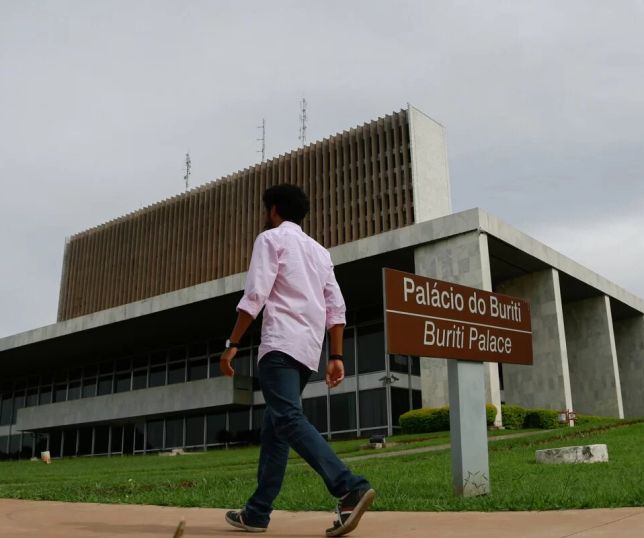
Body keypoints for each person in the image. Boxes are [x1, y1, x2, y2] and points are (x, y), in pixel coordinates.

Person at [221, 184, 375, 537]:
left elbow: (256, 294)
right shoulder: (320, 252)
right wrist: (336, 356)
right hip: (308, 351)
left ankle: (348, 487)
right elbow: (336, 308)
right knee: (276, 430)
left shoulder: (270, 239)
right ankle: (257, 513)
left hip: (279, 346)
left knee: (288, 419)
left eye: (266, 209)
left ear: (273, 209)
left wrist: (232, 343)